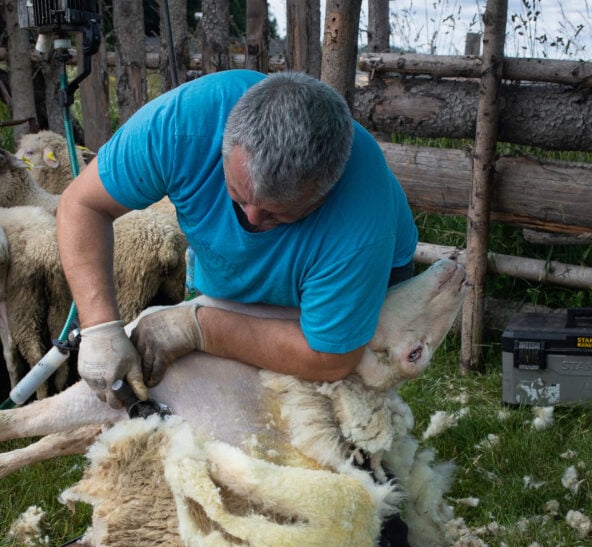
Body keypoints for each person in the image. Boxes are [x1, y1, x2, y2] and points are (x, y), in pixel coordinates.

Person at [55, 69, 419, 410]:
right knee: (228, 397)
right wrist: (99, 328)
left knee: (334, 411)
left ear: (324, 191)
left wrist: (199, 328)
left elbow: (330, 357)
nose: (252, 219)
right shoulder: (183, 127)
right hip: (234, 265)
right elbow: (82, 205)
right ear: (225, 149)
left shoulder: (359, 218)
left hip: (347, 273)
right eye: (237, 195)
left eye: (279, 213)